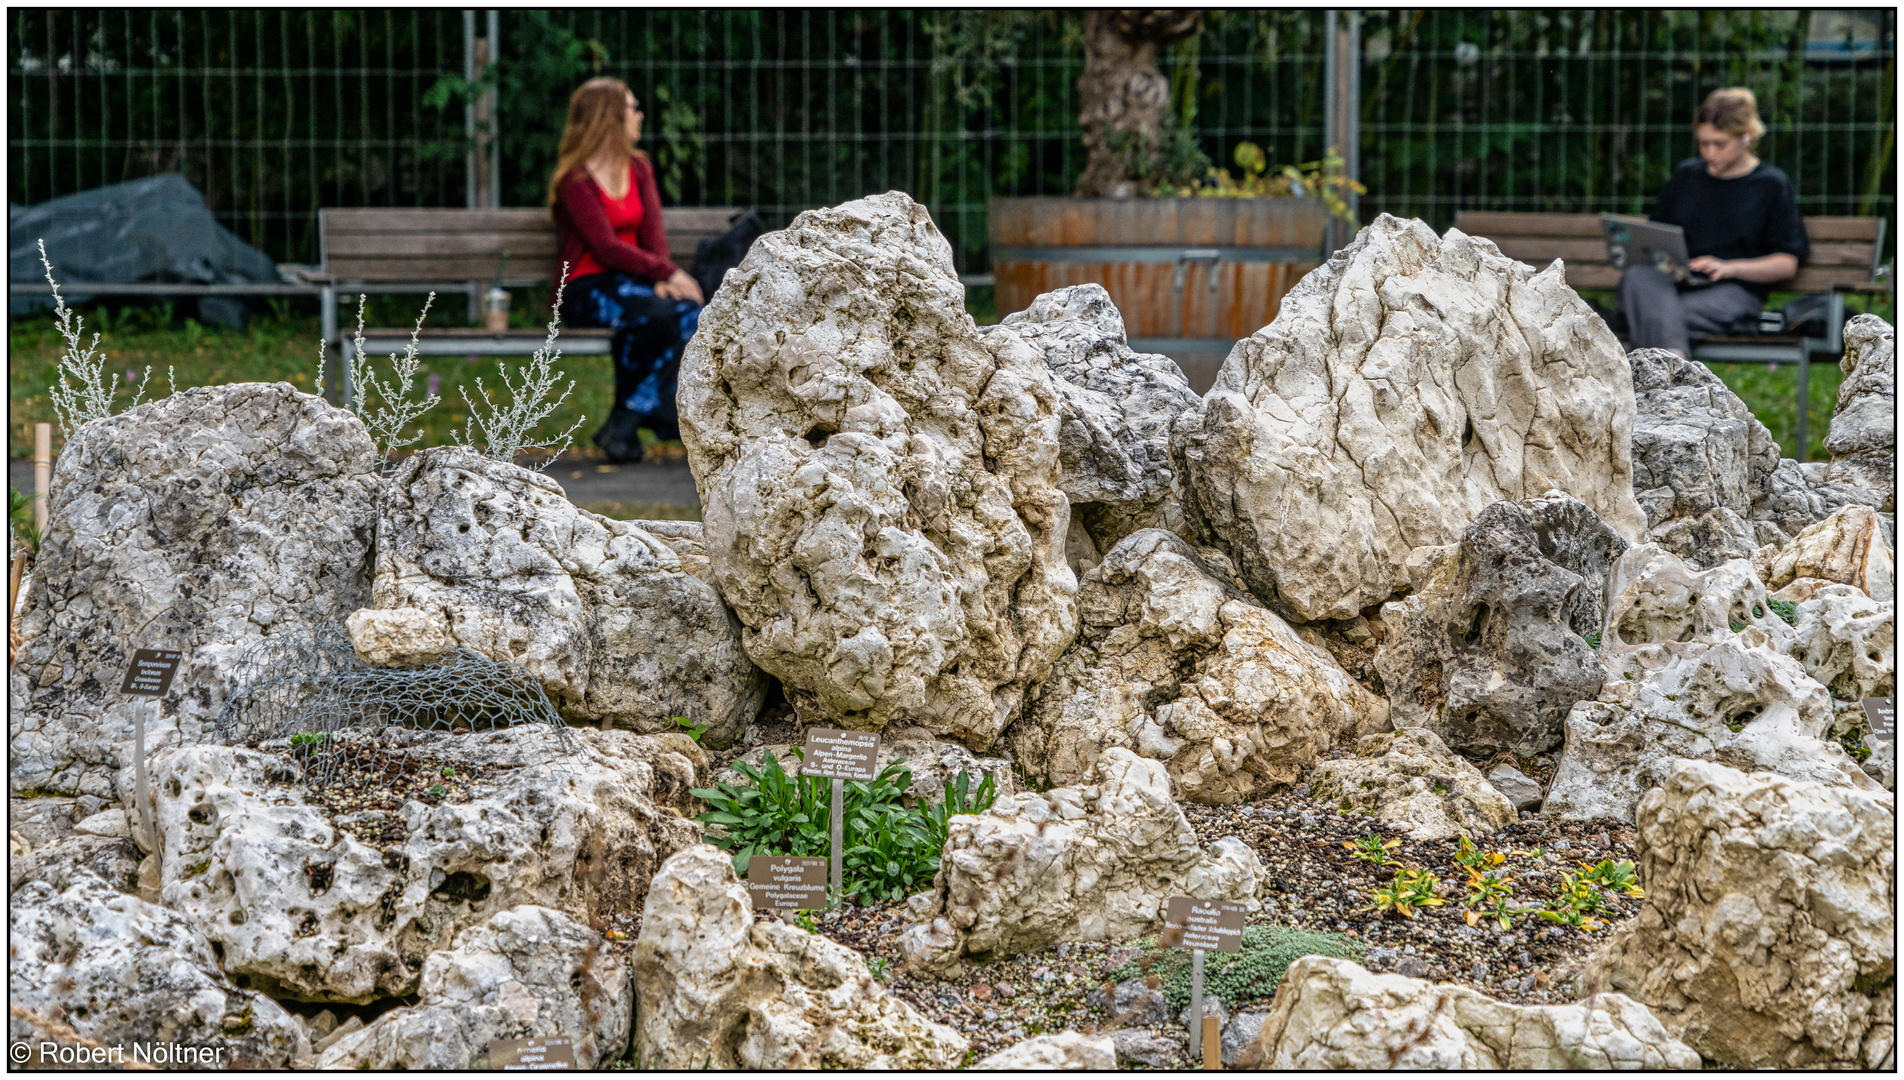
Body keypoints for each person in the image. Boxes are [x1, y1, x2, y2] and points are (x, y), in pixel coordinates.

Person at [549, 76, 704, 463]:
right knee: (666, 315)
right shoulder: (576, 181)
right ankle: (642, 418)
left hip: (632, 286)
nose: (640, 115)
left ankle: (625, 423)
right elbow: (605, 247)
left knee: (685, 313)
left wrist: (661, 276)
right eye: (633, 108)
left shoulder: (639, 168)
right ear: (611, 118)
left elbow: (653, 236)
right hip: (586, 290)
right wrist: (665, 274)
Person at [1619, 87, 1810, 358]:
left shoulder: (1770, 185)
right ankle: (1675, 369)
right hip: (1673, 285)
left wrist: (1727, 268)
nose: (1709, 153)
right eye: (1703, 143)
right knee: (1637, 277)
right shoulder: (1686, 176)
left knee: (1657, 314)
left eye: (1719, 144)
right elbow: (1654, 238)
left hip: (1733, 291)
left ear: (1746, 136)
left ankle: (1670, 368)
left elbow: (1786, 264)